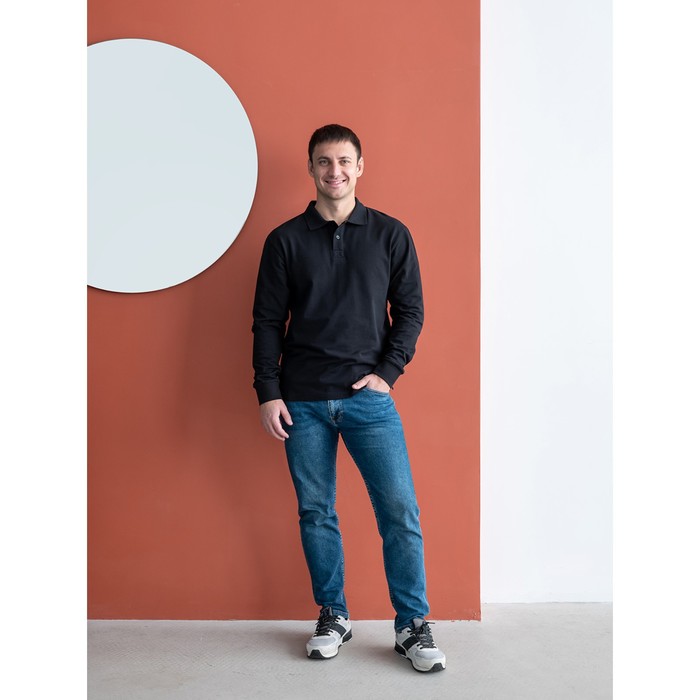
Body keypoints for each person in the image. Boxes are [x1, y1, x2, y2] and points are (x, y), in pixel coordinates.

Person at [251, 124, 446, 673]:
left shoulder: (390, 234)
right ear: (311, 168)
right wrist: (268, 391)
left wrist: (388, 372)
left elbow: (411, 311)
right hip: (302, 401)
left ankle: (411, 624)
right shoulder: (285, 240)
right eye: (323, 161)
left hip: (368, 401)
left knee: (399, 510)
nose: (333, 171)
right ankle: (333, 613)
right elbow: (266, 322)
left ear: (360, 167)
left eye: (343, 161)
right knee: (316, 512)